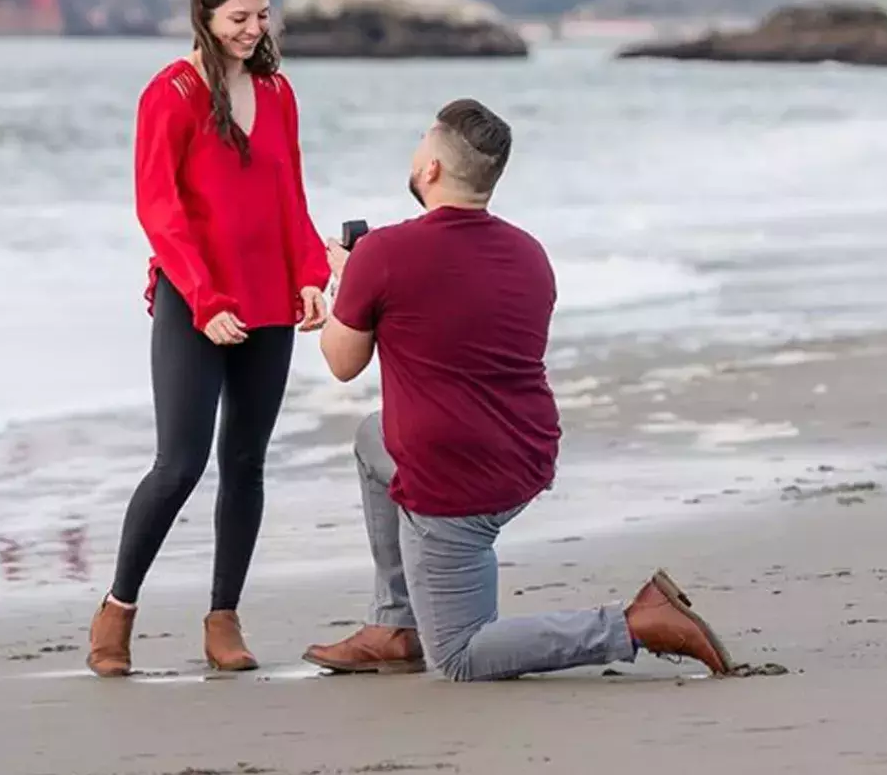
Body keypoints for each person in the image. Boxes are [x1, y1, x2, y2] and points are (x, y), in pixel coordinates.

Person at [301, 98, 732, 682]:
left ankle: (634, 625)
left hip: (453, 480)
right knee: (371, 438)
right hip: (525, 454)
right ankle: (397, 624)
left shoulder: (383, 254)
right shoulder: (529, 252)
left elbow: (340, 362)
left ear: (430, 170)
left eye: (422, 140)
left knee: (459, 656)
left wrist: (345, 282)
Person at [87, 0, 331, 678]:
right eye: (238, 18)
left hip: (268, 304)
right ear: (204, 13)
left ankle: (223, 618)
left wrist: (312, 275)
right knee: (180, 463)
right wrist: (206, 300)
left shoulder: (278, 93)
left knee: (246, 463)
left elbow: (289, 196)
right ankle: (118, 609)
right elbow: (159, 210)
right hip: (195, 303)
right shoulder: (170, 93)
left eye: (261, 15)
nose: (253, 29)